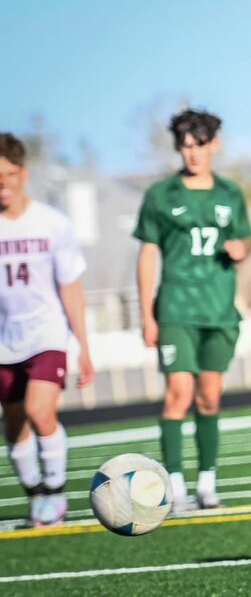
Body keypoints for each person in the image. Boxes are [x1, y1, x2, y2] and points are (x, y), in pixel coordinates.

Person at [134, 109, 251, 512]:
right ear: (177, 149)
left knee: (209, 398)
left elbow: (240, 243)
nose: (193, 153)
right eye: (185, 146)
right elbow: (148, 252)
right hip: (176, 308)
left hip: (218, 310)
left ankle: (207, 484)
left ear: (215, 144)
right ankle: (175, 487)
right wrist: (146, 314)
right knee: (178, 394)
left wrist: (239, 251)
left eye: (199, 145)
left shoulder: (230, 193)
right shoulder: (161, 195)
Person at [0, 133, 95, 527]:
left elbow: (70, 285)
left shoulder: (53, 223)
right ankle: (36, 493)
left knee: (40, 411)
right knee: (13, 423)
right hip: (4, 340)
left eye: (9, 174)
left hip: (47, 334)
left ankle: (55, 493)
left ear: (23, 174)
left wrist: (83, 346)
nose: (3, 183)